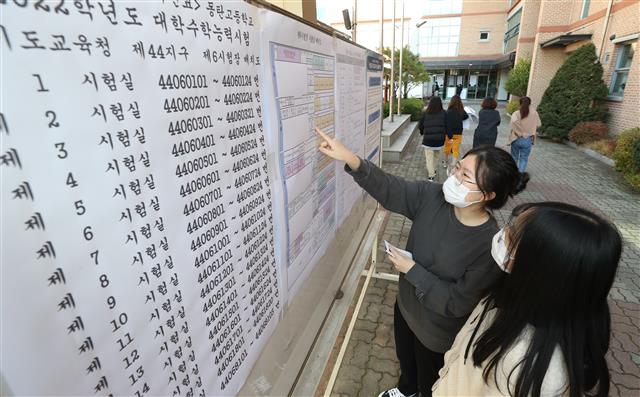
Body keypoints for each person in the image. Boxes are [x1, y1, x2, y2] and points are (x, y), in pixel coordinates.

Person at [314, 127, 529, 397]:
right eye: (457, 168)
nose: (454, 177)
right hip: (405, 306)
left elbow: (457, 303)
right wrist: (352, 160)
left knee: (430, 382)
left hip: (436, 333)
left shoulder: (488, 245)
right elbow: (391, 189)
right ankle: (405, 390)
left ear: (487, 195)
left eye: (465, 176)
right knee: (407, 363)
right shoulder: (433, 196)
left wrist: (413, 270)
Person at [433, 202, 622, 397]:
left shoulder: (530, 369)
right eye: (510, 224)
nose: (503, 234)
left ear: (539, 269)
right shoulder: (508, 294)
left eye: (512, 233)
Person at [418, 96, 447, 181]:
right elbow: (447, 125)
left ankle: (431, 175)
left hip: (428, 139)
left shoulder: (426, 112)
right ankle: (433, 170)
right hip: (439, 139)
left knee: (429, 157)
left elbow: (420, 125)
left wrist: (422, 132)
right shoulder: (444, 113)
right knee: (436, 156)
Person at [509, 96, 541, 173]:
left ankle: (513, 175)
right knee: (524, 158)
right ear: (530, 103)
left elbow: (513, 122)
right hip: (528, 139)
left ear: (520, 103)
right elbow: (539, 124)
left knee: (514, 157)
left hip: (516, 138)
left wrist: (520, 132)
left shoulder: (516, 113)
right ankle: (520, 176)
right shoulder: (534, 113)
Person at [443, 95, 469, 168]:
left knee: (447, 148)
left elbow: (446, 123)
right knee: (455, 149)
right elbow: (466, 116)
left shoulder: (448, 111)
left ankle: (445, 162)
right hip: (458, 133)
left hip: (449, 133)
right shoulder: (461, 111)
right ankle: (453, 163)